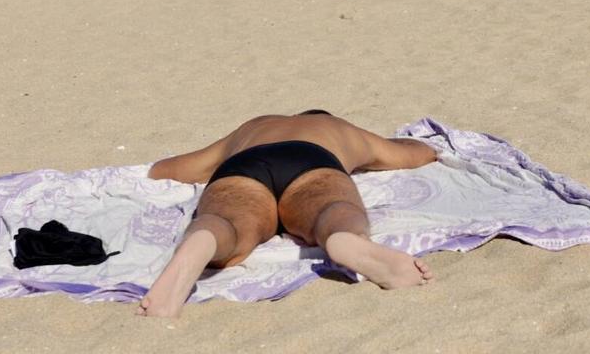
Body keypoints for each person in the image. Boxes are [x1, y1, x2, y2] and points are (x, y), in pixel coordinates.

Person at [139, 111, 437, 318]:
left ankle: (204, 240)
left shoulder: (252, 127)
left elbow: (168, 170)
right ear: (321, 115)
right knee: (331, 210)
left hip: (246, 162)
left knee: (227, 222)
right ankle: (343, 236)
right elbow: (417, 154)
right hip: (311, 157)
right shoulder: (338, 128)